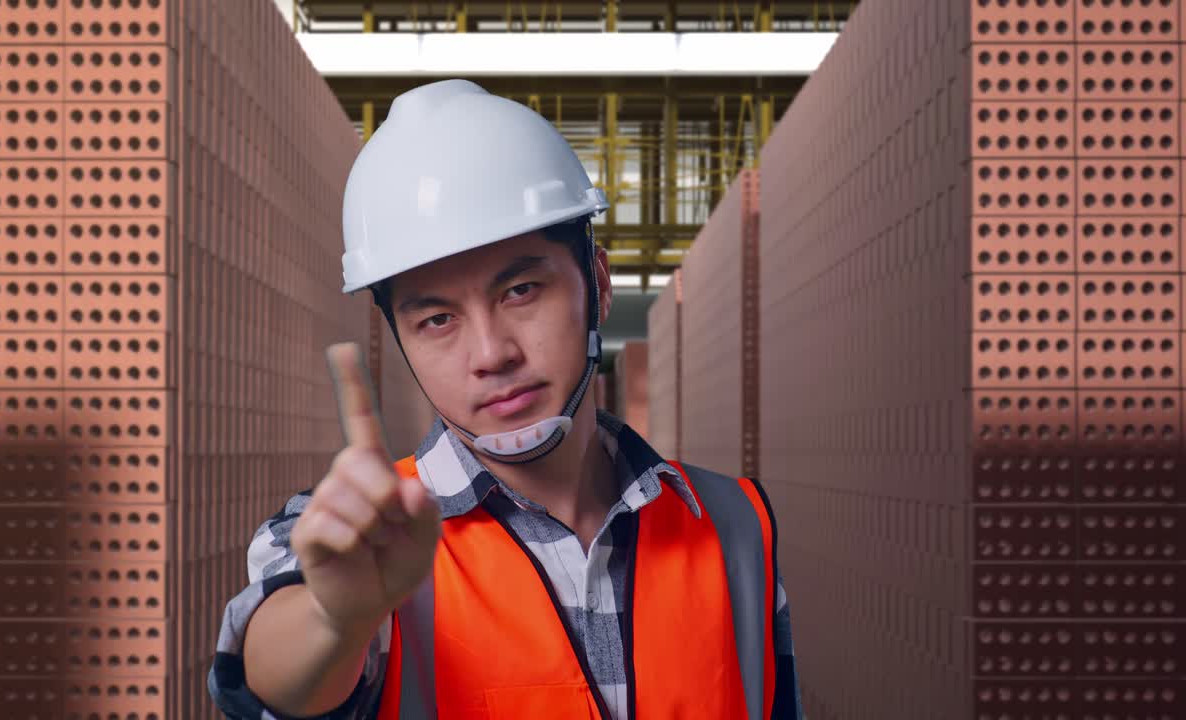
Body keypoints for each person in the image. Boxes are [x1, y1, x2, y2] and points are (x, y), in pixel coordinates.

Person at [207, 79, 803, 720]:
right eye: (436, 320)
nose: (491, 353)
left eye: (520, 290)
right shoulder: (361, 542)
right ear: (401, 339)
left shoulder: (735, 522)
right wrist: (336, 620)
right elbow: (276, 675)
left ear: (597, 286)